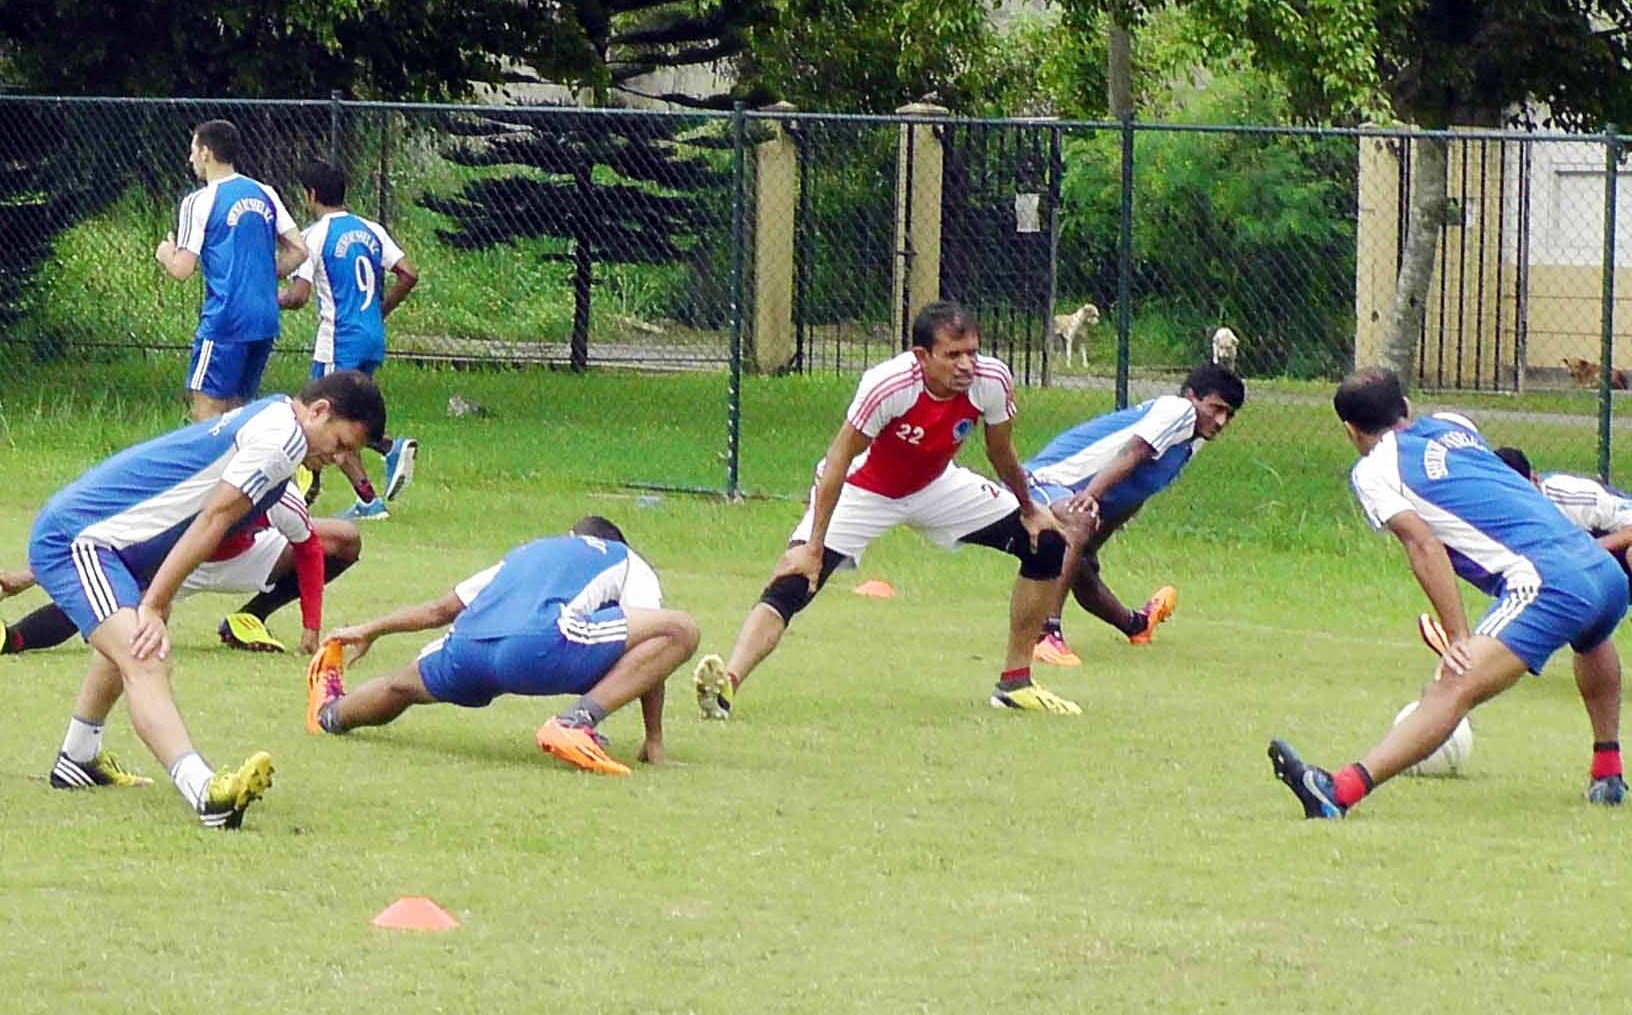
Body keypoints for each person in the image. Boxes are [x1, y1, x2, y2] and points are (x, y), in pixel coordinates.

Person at [7, 370, 384, 829]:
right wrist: (153, 604)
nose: (339, 457)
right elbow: (215, 517)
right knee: (145, 656)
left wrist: (157, 597)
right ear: (320, 411)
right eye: (341, 443)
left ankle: (78, 756)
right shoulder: (281, 439)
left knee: (128, 646)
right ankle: (205, 793)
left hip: (118, 546)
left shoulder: (279, 422)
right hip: (80, 539)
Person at [690, 300, 1095, 722]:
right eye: (953, 355)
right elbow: (839, 459)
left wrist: (1029, 507)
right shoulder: (889, 384)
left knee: (1046, 543)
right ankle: (725, 688)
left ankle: (1015, 684)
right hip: (864, 489)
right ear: (922, 356)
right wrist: (812, 546)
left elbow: (1000, 450)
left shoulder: (992, 379)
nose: (966, 365)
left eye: (972, 352)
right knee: (795, 580)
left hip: (937, 484)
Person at [1268, 368, 1628, 818]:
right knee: (1592, 637)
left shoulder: (1374, 471)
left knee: (1453, 684)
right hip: (1601, 568)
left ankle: (1337, 792)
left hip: (1546, 580)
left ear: (1351, 431)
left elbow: (1423, 545)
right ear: (1407, 407)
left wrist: (1458, 636)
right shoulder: (1454, 425)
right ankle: (1608, 773)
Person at [304, 516, 698, 777]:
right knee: (680, 629)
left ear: (570, 536)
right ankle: (575, 723)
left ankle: (330, 714)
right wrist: (654, 738)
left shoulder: (528, 552)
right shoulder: (626, 559)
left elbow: (439, 610)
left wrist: (371, 629)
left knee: (402, 686)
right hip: (538, 647)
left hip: (468, 648)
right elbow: (655, 644)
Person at [0, 487, 363, 659]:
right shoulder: (195, 481)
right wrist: (29, 575)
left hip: (243, 556)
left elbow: (308, 548)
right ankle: (6, 639)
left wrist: (311, 628)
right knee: (104, 603)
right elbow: (108, 538)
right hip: (174, 562)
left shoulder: (278, 491)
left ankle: (250, 619)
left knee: (344, 539)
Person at [1019, 363, 1245, 666]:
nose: (1220, 421)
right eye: (1216, 408)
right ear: (1191, 396)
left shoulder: (1194, 441)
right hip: (1041, 481)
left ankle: (1137, 625)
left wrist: (1092, 541)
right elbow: (1132, 452)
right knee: (1077, 522)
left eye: (1229, 415)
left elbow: (1140, 487)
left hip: (1073, 495)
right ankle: (1044, 634)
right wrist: (1090, 498)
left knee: (1082, 566)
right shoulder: (1178, 410)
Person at [278, 160, 420, 519]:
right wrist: (377, 312)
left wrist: (264, 299)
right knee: (349, 415)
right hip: (371, 337)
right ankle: (382, 457)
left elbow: (298, 296)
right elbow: (408, 273)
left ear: (310, 195)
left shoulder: (314, 236)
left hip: (338, 340)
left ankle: (368, 493)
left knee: (323, 417)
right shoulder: (371, 230)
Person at [155, 119, 308, 422]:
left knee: (207, 412)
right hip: (264, 318)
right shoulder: (264, 192)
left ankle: (213, 456)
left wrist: (165, 254)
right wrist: (263, 275)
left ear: (206, 152)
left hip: (226, 318)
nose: (190, 158)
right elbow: (299, 249)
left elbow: (182, 269)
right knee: (239, 411)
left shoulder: (200, 201)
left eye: (193, 150)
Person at [1494, 446, 1632, 586]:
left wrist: (1588, 549)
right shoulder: (1495, 512)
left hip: (1615, 551)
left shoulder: (1576, 496)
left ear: (1534, 480)